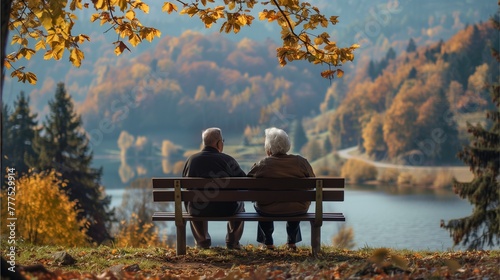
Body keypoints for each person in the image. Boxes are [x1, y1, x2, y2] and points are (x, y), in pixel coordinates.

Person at [247, 127, 315, 250]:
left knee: (262, 201)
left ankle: (268, 243)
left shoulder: (263, 164)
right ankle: (291, 243)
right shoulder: (300, 162)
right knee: (295, 201)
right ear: (287, 145)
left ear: (269, 148)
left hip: (268, 209)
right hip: (298, 207)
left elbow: (248, 183)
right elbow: (313, 183)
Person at [182, 127, 246, 249]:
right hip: (227, 209)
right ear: (218, 143)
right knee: (240, 201)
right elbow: (243, 182)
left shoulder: (192, 160)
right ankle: (233, 242)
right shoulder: (228, 160)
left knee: (193, 200)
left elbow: (186, 186)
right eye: (222, 141)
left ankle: (202, 242)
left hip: (199, 210)